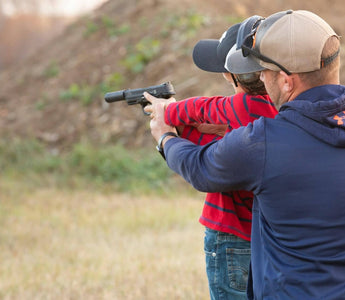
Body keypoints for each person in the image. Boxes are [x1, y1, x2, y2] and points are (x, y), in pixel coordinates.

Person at [145, 10, 345, 299]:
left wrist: (165, 138)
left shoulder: (263, 142)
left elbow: (200, 168)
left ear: (287, 81)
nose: (260, 78)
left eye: (263, 71)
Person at [157, 16, 277, 300]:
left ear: (232, 74)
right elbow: (224, 146)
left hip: (229, 234)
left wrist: (167, 116)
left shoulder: (239, 105)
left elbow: (204, 109)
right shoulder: (278, 108)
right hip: (267, 239)